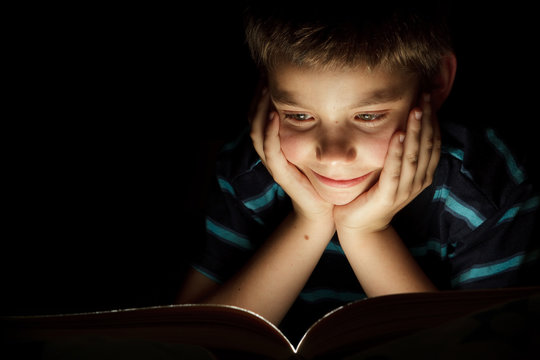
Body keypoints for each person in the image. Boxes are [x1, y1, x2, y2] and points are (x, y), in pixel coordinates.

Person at [177, 1, 539, 341]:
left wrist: (365, 232)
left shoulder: (490, 190)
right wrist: (309, 221)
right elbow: (190, 337)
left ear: (434, 81)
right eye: (299, 116)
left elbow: (483, 349)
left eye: (368, 116)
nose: (333, 156)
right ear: (267, 89)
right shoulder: (250, 172)